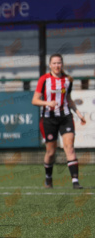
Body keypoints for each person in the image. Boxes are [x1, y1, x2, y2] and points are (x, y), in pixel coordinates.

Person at [32, 53, 86, 189]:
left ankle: (75, 182)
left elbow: (68, 99)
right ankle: (48, 178)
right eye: (54, 63)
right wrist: (47, 103)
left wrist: (79, 114)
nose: (57, 65)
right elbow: (35, 100)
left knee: (69, 147)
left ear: (62, 64)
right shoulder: (44, 79)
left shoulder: (68, 80)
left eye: (59, 63)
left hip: (66, 117)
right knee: (51, 152)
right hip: (49, 119)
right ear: (50, 65)